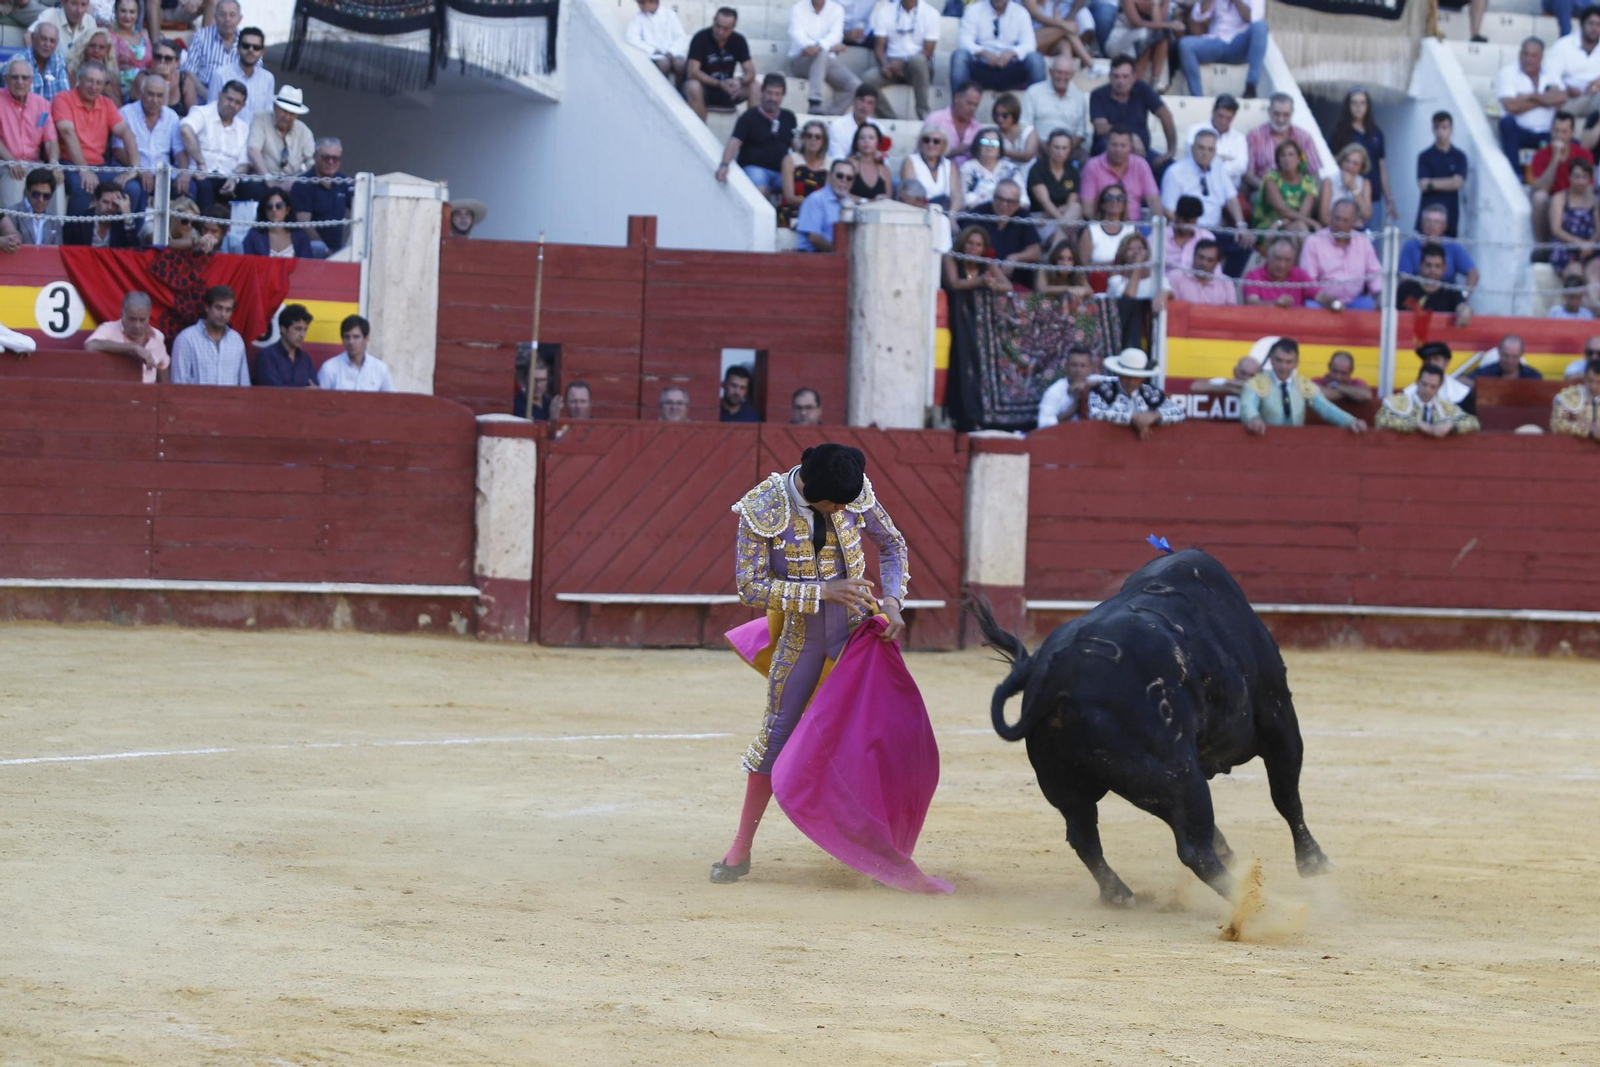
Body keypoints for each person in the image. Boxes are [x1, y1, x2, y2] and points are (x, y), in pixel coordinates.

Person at [712, 443, 908, 884]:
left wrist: (893, 601)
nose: (843, 510)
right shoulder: (762, 506)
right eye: (836, 505)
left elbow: (892, 545)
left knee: (873, 738)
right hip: (801, 637)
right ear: (814, 493)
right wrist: (822, 591)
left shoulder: (851, 489)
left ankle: (882, 850)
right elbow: (749, 586)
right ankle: (740, 848)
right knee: (775, 735)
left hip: (857, 635)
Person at [53, 62, 139, 217]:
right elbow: (67, 133)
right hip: (70, 164)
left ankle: (124, 231)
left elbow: (126, 132)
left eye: (99, 83)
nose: (94, 87)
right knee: (84, 186)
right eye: (90, 81)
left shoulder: (107, 103)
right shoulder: (63, 98)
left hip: (100, 167)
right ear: (79, 79)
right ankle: (74, 232)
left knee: (133, 187)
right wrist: (84, 169)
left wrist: (133, 168)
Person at [1241, 337, 1367, 434]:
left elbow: (1326, 408)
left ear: (1296, 363)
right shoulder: (1256, 383)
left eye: (1288, 362)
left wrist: (1350, 421)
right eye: (1279, 360)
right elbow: (1248, 404)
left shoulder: (1304, 385)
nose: (1283, 366)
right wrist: (1253, 418)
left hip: (1295, 442)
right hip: (1265, 441)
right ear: (1271, 359)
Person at [718, 74, 797, 202]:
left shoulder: (789, 117)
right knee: (761, 190)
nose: (773, 98)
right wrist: (724, 165)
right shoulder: (749, 117)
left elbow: (796, 144)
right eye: (769, 93)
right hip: (755, 168)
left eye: (777, 94)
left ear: (783, 96)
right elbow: (734, 142)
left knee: (801, 185)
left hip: (781, 171)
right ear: (762, 92)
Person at [1161, 128, 1245, 247]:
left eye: (1210, 149)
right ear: (1192, 148)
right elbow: (1169, 210)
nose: (1205, 153)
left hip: (1216, 231)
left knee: (1245, 247)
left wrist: (1241, 225)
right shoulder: (1175, 172)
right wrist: (1193, 231)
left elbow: (1231, 198)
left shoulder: (1218, 166)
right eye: (1201, 148)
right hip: (1189, 233)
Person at [178, 80, 250, 212]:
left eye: (237, 102)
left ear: (242, 106)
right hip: (202, 175)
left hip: (228, 177)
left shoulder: (243, 128)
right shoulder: (202, 112)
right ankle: (206, 225)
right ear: (220, 95)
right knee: (205, 188)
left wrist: (234, 178)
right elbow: (185, 130)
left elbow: (244, 163)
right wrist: (200, 162)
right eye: (229, 99)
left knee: (252, 189)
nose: (232, 105)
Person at [1497, 37, 1566, 174]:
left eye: (1533, 55)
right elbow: (1510, 106)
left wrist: (1530, 96)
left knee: (1574, 141)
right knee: (1507, 123)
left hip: (1547, 132)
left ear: (1541, 58)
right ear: (1519, 54)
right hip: (1521, 131)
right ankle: (1514, 174)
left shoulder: (1550, 72)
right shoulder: (1508, 72)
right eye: (1525, 54)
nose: (1528, 59)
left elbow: (1562, 97)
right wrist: (1545, 100)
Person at [113, 72, 182, 207]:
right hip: (133, 171)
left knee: (189, 187)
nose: (155, 100)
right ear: (142, 93)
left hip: (163, 174)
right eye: (150, 94)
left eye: (160, 95)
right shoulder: (126, 113)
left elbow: (180, 150)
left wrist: (184, 174)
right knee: (138, 188)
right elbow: (118, 150)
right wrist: (140, 170)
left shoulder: (171, 116)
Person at [862, 0, 940, 120]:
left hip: (918, 67)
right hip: (892, 63)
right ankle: (890, 118)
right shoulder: (885, 11)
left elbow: (928, 52)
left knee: (918, 61)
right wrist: (884, 64)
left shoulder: (931, 13)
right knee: (867, 79)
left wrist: (903, 62)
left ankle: (923, 113)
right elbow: (879, 46)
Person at [1088, 54, 1173, 161]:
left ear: (1134, 77)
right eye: (1116, 76)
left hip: (1141, 152)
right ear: (1110, 77)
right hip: (1109, 154)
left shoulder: (1142, 89)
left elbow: (1165, 115)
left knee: (1170, 165)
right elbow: (1100, 128)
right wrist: (1131, 137)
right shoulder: (1098, 95)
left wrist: (1170, 151)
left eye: (1125, 76)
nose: (1120, 81)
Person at [1301, 201, 1381, 311]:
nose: (1340, 224)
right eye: (1337, 218)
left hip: (1355, 301)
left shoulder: (1363, 241)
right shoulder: (1314, 241)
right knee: (1310, 307)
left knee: (1374, 307)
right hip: (1322, 302)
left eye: (1345, 220)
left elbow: (1375, 272)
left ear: (1354, 222)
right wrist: (1329, 301)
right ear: (1330, 217)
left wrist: (1379, 295)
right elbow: (1308, 281)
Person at [1, 57, 60, 208]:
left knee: (56, 179)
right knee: (15, 178)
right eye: (14, 77)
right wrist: (11, 161)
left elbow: (51, 140)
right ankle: (12, 223)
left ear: (31, 80)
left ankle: (56, 223)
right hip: (5, 163)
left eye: (24, 77)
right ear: (6, 79)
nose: (20, 82)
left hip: (35, 164)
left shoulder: (42, 104)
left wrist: (54, 163)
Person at [1088, 347, 1185, 438]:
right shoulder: (1102, 390)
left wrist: (1155, 415)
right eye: (1126, 376)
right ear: (1119, 374)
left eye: (1135, 377)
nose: (1130, 382)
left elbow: (1179, 412)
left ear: (1143, 378)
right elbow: (1095, 413)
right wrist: (1133, 417)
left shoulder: (1151, 393)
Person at [1178, 0, 1267, 98]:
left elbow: (1253, 18)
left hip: (1239, 44)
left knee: (1261, 27)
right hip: (1217, 41)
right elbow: (1197, 16)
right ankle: (1197, 96)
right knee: (1185, 44)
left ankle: (1251, 86)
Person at [952, 0, 1045, 93]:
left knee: (1035, 59)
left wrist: (1012, 53)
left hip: (1010, 69)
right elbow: (964, 41)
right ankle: (960, 100)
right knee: (960, 56)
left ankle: (1038, 101)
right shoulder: (974, 10)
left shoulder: (1021, 13)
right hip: (982, 67)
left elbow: (1030, 44)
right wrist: (982, 52)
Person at [1530, 111, 1594, 244]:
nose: (1559, 136)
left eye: (1564, 132)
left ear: (1572, 133)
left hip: (1577, 203)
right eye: (1556, 131)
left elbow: (1589, 187)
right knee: (1539, 197)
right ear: (1551, 131)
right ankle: (1541, 246)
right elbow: (1542, 187)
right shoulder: (1540, 155)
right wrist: (1555, 158)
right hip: (1553, 206)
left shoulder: (1584, 154)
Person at [787, 0, 860, 114]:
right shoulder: (798, 7)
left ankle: (830, 115)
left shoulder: (836, 9)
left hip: (825, 60)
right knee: (821, 53)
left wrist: (819, 47)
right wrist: (827, 47)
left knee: (854, 85)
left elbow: (836, 35)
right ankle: (814, 101)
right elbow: (797, 34)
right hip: (801, 60)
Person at [170, 285, 250, 386]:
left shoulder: (236, 341)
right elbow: (178, 383)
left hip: (230, 397)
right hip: (197, 397)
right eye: (219, 308)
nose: (223, 314)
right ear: (207, 308)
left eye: (228, 310)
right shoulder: (186, 339)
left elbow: (244, 384)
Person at [1245, 92, 1321, 197]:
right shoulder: (1254, 135)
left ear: (1292, 113)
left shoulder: (1304, 137)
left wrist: (1301, 192)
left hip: (1297, 191)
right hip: (1265, 191)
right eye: (1276, 114)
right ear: (1269, 112)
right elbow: (1248, 175)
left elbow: (1314, 173)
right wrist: (1272, 189)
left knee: (1326, 184)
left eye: (1286, 115)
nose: (1281, 119)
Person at [685, 7, 755, 121]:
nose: (720, 31)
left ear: (733, 27)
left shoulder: (739, 40)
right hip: (705, 89)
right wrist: (718, 83)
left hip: (728, 89)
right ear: (713, 20)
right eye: (717, 26)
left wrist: (739, 81)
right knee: (692, 86)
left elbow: (751, 72)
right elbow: (692, 72)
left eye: (725, 29)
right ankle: (700, 130)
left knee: (755, 87)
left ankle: (753, 129)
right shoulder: (700, 38)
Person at [1547, 157, 1600, 309]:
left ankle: (1594, 307)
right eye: (1576, 176)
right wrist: (1579, 243)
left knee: (1594, 275)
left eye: (1584, 177)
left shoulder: (1595, 201)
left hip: (1590, 250)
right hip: (1565, 249)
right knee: (1575, 277)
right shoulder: (1559, 198)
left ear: (1589, 179)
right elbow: (1556, 229)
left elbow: (1599, 228)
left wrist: (1590, 243)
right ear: (1569, 177)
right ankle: (1588, 312)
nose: (1580, 181)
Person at [970, 179, 1042, 286]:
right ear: (993, 198)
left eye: (1009, 201)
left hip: (1016, 281)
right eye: (1000, 199)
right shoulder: (979, 213)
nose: (1004, 204)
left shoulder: (1023, 216)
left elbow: (1036, 251)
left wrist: (1015, 257)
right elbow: (966, 245)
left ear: (1017, 204)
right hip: (982, 278)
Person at [85, 290, 168, 383]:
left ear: (149, 316)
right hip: (115, 390)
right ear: (122, 314)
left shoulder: (157, 336)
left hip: (147, 390)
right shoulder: (109, 329)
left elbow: (163, 367)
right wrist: (133, 348)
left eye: (142, 320)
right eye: (132, 319)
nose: (137, 326)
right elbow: (91, 345)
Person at [1080, 126, 1161, 221]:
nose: (1118, 150)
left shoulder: (1141, 165)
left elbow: (1153, 200)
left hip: (1135, 226)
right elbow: (1087, 206)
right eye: (1114, 145)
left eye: (1123, 145)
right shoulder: (1092, 166)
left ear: (1131, 147)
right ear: (1107, 145)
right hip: (1103, 224)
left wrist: (1158, 224)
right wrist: (1100, 227)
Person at [1398, 204, 1479, 297]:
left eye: (1436, 222)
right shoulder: (1410, 246)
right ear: (1422, 224)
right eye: (1428, 221)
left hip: (1447, 299)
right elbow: (1404, 278)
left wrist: (1463, 297)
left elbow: (1473, 274)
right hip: (1417, 299)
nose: (1431, 225)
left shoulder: (1453, 246)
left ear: (1444, 226)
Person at [290, 137, 353, 256]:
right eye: (325, 158)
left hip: (336, 246)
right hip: (310, 247)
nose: (331, 162)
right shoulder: (303, 183)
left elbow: (360, 209)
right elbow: (304, 223)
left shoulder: (343, 181)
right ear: (315, 157)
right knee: (318, 248)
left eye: (335, 158)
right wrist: (326, 251)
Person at [1377, 364, 1480, 436]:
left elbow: (1473, 422)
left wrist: (1451, 425)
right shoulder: (1400, 401)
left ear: (1439, 387)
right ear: (1417, 382)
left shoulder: (1445, 406)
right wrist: (1416, 424)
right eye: (1424, 384)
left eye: (1432, 387)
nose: (1427, 390)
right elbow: (1381, 418)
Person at [247, 85, 315, 194]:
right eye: (284, 111)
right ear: (275, 107)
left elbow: (312, 162)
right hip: (262, 180)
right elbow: (253, 150)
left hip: (293, 184)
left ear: (297, 115)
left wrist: (296, 179)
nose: (287, 117)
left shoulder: (304, 131)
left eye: (292, 113)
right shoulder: (261, 118)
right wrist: (268, 179)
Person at [206, 25, 273, 132]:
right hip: (226, 133)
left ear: (262, 52)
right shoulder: (220, 74)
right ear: (238, 48)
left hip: (255, 136)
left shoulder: (268, 79)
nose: (251, 50)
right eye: (246, 46)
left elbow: (268, 114)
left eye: (256, 47)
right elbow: (211, 111)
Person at [1103, 0, 1182, 91]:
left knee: (1161, 35)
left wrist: (1155, 4)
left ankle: (1156, 82)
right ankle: (1138, 82)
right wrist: (1167, 25)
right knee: (1147, 35)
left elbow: (1158, 24)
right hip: (1121, 39)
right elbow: (1138, 23)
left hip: (1145, 36)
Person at [177, 0, 240, 108]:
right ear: (215, 17)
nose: (227, 19)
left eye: (232, 15)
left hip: (235, 96)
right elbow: (189, 70)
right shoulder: (202, 36)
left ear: (239, 19)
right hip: (203, 92)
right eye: (223, 14)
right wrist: (207, 94)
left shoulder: (247, 41)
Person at [1021, 55, 1088, 158]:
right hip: (1040, 146)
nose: (1062, 77)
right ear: (1050, 72)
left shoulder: (1079, 97)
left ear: (1072, 75)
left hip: (1069, 148)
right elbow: (1025, 125)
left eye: (1066, 73)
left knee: (1086, 160)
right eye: (1058, 72)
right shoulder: (1033, 92)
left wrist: (1066, 149)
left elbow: (1081, 132)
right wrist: (1046, 148)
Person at [1395, 243, 1472, 329]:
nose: (1433, 270)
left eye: (1437, 266)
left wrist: (1465, 311)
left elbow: (1461, 306)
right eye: (1428, 265)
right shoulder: (1406, 288)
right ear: (1421, 265)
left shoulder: (1451, 290)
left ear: (1444, 268)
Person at [1250, 137, 1318, 235]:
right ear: (1278, 160)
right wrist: (1313, 222)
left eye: (1291, 155)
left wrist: (1282, 222)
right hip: (1270, 225)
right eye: (1282, 155)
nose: (1287, 159)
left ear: (1298, 159)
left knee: (1298, 227)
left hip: (1289, 223)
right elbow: (1282, 210)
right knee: (1299, 228)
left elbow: (1303, 214)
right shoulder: (1271, 179)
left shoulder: (1308, 182)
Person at [1415, 111, 1466, 237]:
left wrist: (1432, 184)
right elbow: (1423, 185)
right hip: (1427, 219)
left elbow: (1458, 183)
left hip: (1450, 217)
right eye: (1437, 127)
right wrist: (1449, 182)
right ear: (1433, 129)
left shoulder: (1459, 156)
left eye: (1444, 127)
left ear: (1451, 129)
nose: (1440, 131)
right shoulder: (1425, 156)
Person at [318, 314, 396, 392]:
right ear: (342, 339)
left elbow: (391, 398)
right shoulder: (330, 368)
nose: (351, 342)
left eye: (356, 337)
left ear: (366, 339)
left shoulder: (380, 369)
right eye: (347, 337)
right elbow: (319, 397)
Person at [1184, 93, 1247, 188]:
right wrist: (1225, 161)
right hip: (1198, 187)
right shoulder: (1195, 130)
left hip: (1230, 190)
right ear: (1213, 112)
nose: (1223, 121)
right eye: (1220, 116)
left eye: (1228, 118)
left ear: (1233, 117)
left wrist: (1211, 163)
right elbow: (1194, 160)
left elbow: (1241, 167)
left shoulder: (1239, 138)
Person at [796, 158, 856, 252]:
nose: (844, 180)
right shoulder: (816, 200)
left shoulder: (851, 205)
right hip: (813, 256)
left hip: (838, 257)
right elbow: (814, 237)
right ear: (830, 176)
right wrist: (839, 252)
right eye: (839, 176)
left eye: (849, 178)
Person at [1028, 128, 1081, 235]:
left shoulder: (1073, 172)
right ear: (1049, 147)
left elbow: (1070, 203)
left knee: (1076, 207)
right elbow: (1044, 201)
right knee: (1068, 232)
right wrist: (1062, 221)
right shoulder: (1037, 169)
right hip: (1040, 217)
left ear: (1070, 149)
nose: (1060, 152)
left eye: (1064, 148)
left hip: (1058, 215)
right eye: (1056, 147)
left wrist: (1058, 220)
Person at [960, 126, 1028, 209]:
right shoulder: (968, 168)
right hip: (977, 212)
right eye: (984, 142)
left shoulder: (1011, 169)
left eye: (995, 143)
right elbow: (963, 198)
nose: (989, 146)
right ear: (978, 145)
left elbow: (1023, 199)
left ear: (1000, 147)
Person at [254, 303, 319, 387]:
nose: (302, 335)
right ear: (283, 329)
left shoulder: (306, 359)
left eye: (305, 330)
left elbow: (314, 388)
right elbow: (273, 390)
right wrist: (304, 390)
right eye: (298, 329)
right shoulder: (267, 356)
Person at [625, 0, 690, 82]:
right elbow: (631, 37)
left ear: (653, 2)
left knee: (680, 64)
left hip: (673, 52)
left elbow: (680, 36)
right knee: (664, 64)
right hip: (653, 54)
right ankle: (663, 88)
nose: (640, 6)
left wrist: (671, 51)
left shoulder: (669, 14)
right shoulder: (638, 17)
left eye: (643, 3)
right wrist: (652, 50)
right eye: (639, 3)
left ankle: (679, 88)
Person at [783, 120, 832, 227]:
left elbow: (826, 196)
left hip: (818, 213)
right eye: (809, 136)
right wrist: (813, 205)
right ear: (803, 138)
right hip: (793, 211)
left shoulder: (829, 164)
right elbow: (789, 197)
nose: (813, 139)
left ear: (823, 141)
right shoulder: (790, 160)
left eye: (818, 137)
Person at [902, 122, 960, 212]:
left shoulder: (950, 165)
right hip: (919, 212)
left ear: (943, 145)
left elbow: (956, 196)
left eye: (936, 141)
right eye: (926, 140)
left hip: (945, 212)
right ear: (921, 143)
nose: (931, 144)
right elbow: (910, 195)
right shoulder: (910, 161)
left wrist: (952, 214)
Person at [63, 181, 141, 246]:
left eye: (114, 204)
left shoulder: (122, 223)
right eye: (105, 202)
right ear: (96, 200)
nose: (110, 207)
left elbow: (136, 251)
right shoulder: (78, 222)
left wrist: (127, 216)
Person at [1035, 344, 1096, 427]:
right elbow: (1043, 425)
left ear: (1090, 368)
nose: (1078, 370)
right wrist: (1073, 408)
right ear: (1066, 367)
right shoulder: (1054, 392)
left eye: (1083, 366)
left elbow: (1112, 380)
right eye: (1074, 365)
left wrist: (1085, 385)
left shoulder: (1095, 381)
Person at [1021, 0, 1095, 68]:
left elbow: (1056, 20)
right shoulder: (1030, 3)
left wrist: (1063, 24)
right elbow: (1036, 16)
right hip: (1030, 39)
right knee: (1065, 30)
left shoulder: (1053, 4)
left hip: (1048, 41)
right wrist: (1064, 25)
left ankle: (1065, 72)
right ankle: (1090, 63)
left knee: (1065, 44)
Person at [1077, 181, 1133, 269]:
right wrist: (1112, 266)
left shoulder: (1132, 230)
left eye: (1120, 198)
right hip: (1097, 277)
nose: (1114, 201)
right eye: (1109, 197)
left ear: (1124, 204)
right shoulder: (1090, 231)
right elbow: (1083, 268)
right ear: (1102, 204)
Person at [243, 189, 314, 258]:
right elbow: (249, 263)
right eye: (269, 206)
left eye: (279, 206)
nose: (274, 209)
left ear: (287, 210)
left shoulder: (300, 236)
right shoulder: (254, 236)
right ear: (264, 210)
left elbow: (306, 263)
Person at [927, 82, 983, 166]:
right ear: (956, 98)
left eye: (976, 105)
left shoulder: (977, 128)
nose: (972, 108)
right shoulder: (935, 119)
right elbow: (924, 154)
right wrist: (957, 151)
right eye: (969, 103)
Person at [944, 223, 1012, 293]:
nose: (973, 248)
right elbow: (954, 284)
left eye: (978, 245)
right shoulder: (951, 257)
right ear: (963, 243)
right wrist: (981, 281)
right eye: (970, 243)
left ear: (984, 248)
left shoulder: (987, 262)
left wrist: (994, 286)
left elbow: (1008, 286)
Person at [1318, 143, 1372, 229]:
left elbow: (1366, 215)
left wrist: (1353, 188)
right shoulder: (1329, 182)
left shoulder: (1365, 183)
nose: (1350, 167)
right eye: (1347, 161)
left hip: (1356, 232)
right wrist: (1346, 226)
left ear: (1361, 167)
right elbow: (1323, 218)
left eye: (1355, 164)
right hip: (1331, 230)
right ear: (1342, 161)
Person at [1105, 230, 1167, 303]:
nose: (1136, 252)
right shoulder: (1116, 280)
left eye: (1140, 248)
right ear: (1123, 253)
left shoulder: (1156, 276)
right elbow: (1129, 297)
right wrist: (1138, 264)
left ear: (1147, 252)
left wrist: (1162, 296)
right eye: (1130, 249)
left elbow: (1169, 293)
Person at [1168, 239, 1236, 304]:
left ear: (1217, 262)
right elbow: (1172, 307)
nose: (1204, 263)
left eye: (1210, 260)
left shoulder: (1226, 282)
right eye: (1201, 257)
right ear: (1194, 255)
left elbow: (1231, 310)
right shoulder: (1176, 276)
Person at [107, 0, 152, 100]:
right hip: (122, 91)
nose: (127, 16)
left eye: (132, 12)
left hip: (146, 90)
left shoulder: (143, 37)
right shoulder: (109, 37)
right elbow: (108, 67)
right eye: (123, 11)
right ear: (116, 12)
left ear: (137, 14)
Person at [67, 28, 123, 107]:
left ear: (107, 52)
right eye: (92, 46)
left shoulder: (111, 76)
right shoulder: (72, 71)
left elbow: (119, 107)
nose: (96, 50)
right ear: (84, 48)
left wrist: (106, 87)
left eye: (101, 47)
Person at [1411, 340, 1474, 410]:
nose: (1431, 363)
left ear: (1446, 363)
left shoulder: (1461, 394)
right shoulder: (1408, 393)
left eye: (1436, 359)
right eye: (1428, 360)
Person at [28, 0, 96, 63]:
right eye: (74, 4)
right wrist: (35, 62)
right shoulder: (51, 15)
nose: (79, 10)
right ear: (63, 2)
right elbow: (29, 35)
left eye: (83, 5)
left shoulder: (90, 22)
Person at [10, 168, 63, 246]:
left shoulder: (55, 221)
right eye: (36, 195)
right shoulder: (11, 214)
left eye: (46, 196)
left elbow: (57, 249)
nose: (40, 200)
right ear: (27, 191)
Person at [1550, 357, 1600, 438]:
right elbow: (1556, 424)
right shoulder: (1570, 395)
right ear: (1585, 377)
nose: (1593, 386)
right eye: (1590, 380)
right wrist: (1588, 430)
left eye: (1599, 382)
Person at [827, 84, 879, 161]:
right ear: (854, 100)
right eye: (862, 100)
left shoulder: (878, 128)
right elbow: (837, 159)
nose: (864, 106)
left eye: (870, 103)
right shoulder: (837, 126)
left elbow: (883, 160)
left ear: (874, 107)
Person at [1034, 238, 1093, 304]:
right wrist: (1068, 289)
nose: (1065, 263)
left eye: (1070, 259)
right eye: (1061, 258)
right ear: (1055, 259)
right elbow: (1042, 289)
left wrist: (1082, 291)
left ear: (1075, 261)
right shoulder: (1044, 269)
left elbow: (1090, 291)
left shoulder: (1078, 272)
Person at [22, 23, 69, 103]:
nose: (47, 44)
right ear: (33, 38)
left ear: (56, 43)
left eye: (52, 41)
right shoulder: (18, 63)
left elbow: (65, 96)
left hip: (54, 110)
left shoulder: (58, 60)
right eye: (43, 39)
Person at [1163, 194, 1213, 271]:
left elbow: (1215, 271)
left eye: (1194, 221)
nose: (1191, 226)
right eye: (1187, 221)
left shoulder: (1207, 238)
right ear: (1176, 215)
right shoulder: (1159, 236)